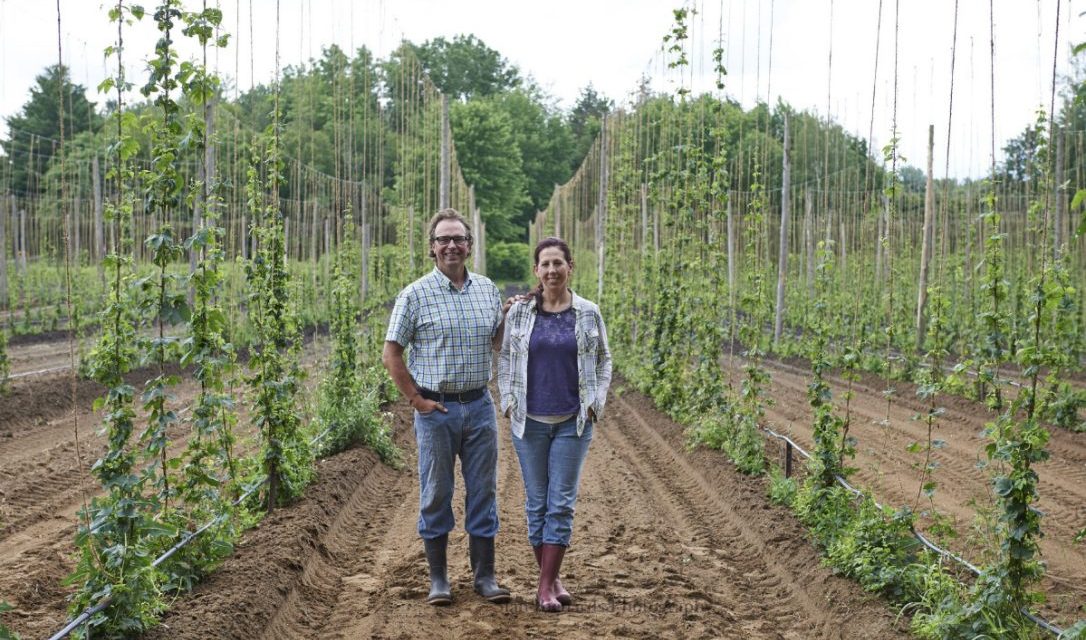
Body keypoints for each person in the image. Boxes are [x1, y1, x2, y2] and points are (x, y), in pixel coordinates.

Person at [382, 208, 512, 606]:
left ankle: (484, 577)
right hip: (436, 410)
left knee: (484, 492)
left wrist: (508, 315)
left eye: (458, 239)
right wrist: (416, 399)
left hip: (478, 405)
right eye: (443, 239)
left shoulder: (487, 289)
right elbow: (392, 353)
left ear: (469, 246)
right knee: (437, 491)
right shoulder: (415, 294)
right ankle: (438, 580)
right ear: (432, 247)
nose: (451, 245)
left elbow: (495, 342)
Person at [497, 236, 612, 612]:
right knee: (536, 505)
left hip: (572, 424)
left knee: (560, 504)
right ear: (536, 270)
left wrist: (596, 402)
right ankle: (553, 578)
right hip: (529, 423)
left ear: (570, 267)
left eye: (557, 263)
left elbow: (604, 360)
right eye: (544, 264)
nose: (551, 271)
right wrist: (508, 401)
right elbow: (504, 357)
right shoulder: (520, 313)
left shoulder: (588, 312)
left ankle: (544, 586)